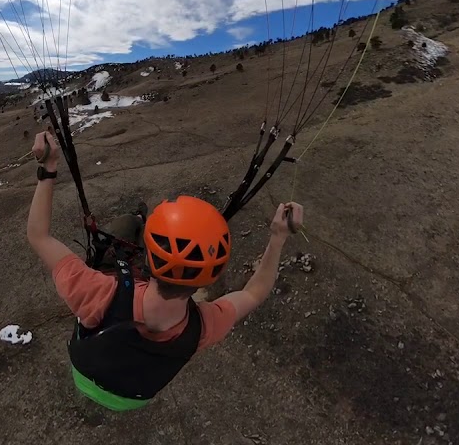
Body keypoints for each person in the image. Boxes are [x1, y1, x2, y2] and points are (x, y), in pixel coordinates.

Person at [25, 129, 301, 411]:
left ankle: (137, 219)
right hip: (132, 401)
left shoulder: (96, 293)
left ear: (147, 261)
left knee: (118, 235)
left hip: (84, 374)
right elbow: (254, 293)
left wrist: (48, 167)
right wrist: (279, 237)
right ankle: (139, 219)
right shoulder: (203, 327)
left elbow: (38, 236)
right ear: (209, 278)